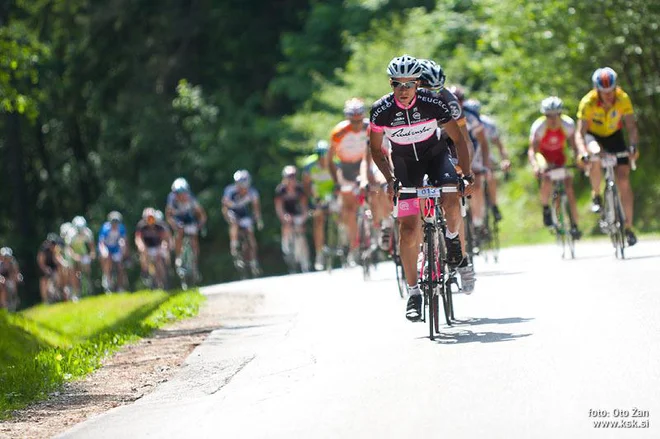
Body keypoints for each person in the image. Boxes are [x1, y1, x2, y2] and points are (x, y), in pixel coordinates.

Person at [369, 54, 474, 321]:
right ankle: (414, 293)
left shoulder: (433, 103)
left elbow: (458, 139)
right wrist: (390, 180)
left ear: (418, 84)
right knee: (408, 228)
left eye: (409, 84)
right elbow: (376, 150)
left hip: (435, 158)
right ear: (391, 84)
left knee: (451, 197)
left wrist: (467, 173)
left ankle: (451, 240)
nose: (403, 91)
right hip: (405, 165)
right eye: (398, 85)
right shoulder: (381, 111)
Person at [418, 59, 476, 292]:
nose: (433, 95)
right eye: (427, 91)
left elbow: (464, 141)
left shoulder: (449, 101)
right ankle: (427, 246)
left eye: (436, 90)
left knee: (454, 199)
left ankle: (461, 258)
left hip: (446, 147)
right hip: (419, 150)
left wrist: (464, 171)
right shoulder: (405, 100)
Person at [575, 67, 639, 246]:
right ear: (597, 90)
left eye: (611, 91)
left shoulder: (623, 98)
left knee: (623, 179)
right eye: (605, 93)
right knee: (595, 154)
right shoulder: (588, 102)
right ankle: (596, 194)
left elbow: (631, 126)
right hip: (593, 136)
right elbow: (580, 133)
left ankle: (628, 226)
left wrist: (633, 145)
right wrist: (583, 151)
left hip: (614, 135)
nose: (609, 96)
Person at [528, 96, 582, 238]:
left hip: (560, 157)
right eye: (549, 116)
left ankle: (575, 224)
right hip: (544, 156)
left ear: (560, 114)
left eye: (556, 115)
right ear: (544, 115)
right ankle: (546, 208)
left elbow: (574, 146)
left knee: (569, 188)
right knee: (546, 177)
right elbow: (533, 150)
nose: (553, 119)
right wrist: (535, 166)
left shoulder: (568, 124)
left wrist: (578, 159)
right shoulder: (539, 127)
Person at [329, 98, 370, 266]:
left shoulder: (370, 127)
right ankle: (354, 247)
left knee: (379, 190)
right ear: (347, 119)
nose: (356, 124)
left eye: (359, 120)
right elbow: (330, 160)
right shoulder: (338, 132)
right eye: (353, 121)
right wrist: (336, 182)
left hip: (365, 164)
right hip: (345, 169)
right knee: (349, 209)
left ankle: (378, 225)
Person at [301, 140, 336, 270]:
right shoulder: (309, 166)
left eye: (325, 157)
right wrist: (313, 199)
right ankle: (319, 253)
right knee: (318, 219)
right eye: (320, 157)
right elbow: (306, 185)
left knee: (342, 213)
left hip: (333, 194)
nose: (323, 160)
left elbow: (340, 180)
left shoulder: (335, 163)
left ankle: (346, 245)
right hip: (318, 196)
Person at [222, 170, 263, 276]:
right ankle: (234, 245)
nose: (242, 188)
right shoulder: (230, 191)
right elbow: (225, 207)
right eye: (239, 185)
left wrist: (258, 219)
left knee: (250, 233)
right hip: (233, 214)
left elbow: (256, 208)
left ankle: (254, 260)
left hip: (245, 214)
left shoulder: (252, 192)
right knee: (234, 223)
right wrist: (228, 219)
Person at [165, 177, 208, 269]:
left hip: (189, 218)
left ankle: (195, 261)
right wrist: (173, 225)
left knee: (194, 235)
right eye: (177, 193)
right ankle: (178, 257)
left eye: (183, 192)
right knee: (179, 232)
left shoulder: (191, 198)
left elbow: (202, 215)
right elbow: (168, 216)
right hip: (178, 219)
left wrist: (200, 224)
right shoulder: (171, 200)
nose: (181, 196)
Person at [275, 165, 310, 272]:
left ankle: (305, 261)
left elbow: (304, 206)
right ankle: (286, 245)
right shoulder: (280, 190)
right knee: (287, 227)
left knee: (301, 231)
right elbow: (279, 208)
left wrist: (304, 217)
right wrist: (284, 217)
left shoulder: (300, 188)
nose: (291, 179)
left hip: (297, 211)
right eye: (289, 177)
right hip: (286, 212)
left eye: (293, 177)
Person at [135, 207, 169, 287]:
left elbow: (164, 239)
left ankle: (164, 279)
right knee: (143, 256)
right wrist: (141, 247)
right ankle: (145, 272)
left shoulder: (160, 226)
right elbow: (138, 238)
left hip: (158, 246)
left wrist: (162, 248)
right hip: (147, 248)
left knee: (160, 259)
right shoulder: (141, 226)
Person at [98, 211, 129, 292]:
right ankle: (107, 279)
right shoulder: (105, 228)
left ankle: (120, 286)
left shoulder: (121, 228)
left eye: (116, 222)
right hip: (107, 248)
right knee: (107, 259)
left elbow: (124, 241)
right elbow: (101, 243)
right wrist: (104, 252)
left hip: (116, 248)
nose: (115, 224)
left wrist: (124, 250)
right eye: (113, 222)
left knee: (120, 266)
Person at [66, 216, 96, 298]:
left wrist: (92, 253)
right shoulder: (71, 233)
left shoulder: (87, 232)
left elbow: (91, 245)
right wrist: (74, 256)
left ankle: (88, 284)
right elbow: (69, 248)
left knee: (87, 267)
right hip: (72, 252)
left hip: (81, 251)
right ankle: (76, 293)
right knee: (73, 270)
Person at [37, 233, 67, 303]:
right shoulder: (43, 249)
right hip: (44, 267)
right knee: (43, 281)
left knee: (60, 274)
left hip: (53, 266)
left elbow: (57, 259)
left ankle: (60, 292)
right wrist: (45, 269)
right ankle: (45, 300)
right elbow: (41, 262)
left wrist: (63, 264)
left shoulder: (56, 248)